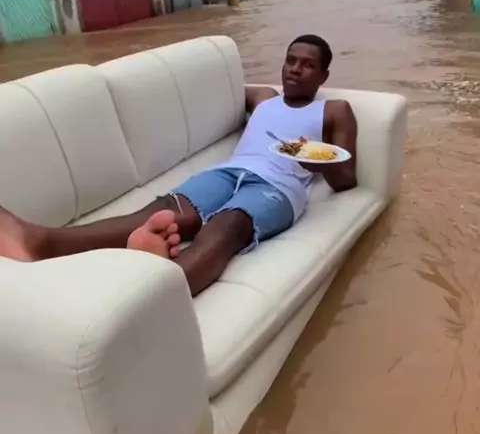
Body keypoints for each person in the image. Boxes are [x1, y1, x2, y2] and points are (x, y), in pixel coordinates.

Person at [0, 34, 357, 297]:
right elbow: (218, 84)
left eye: (307, 65)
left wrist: (314, 159)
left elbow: (345, 178)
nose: (295, 69)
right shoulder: (264, 97)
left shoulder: (334, 110)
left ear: (323, 76)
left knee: (225, 227)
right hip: (229, 172)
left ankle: (155, 297)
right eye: (291, 60)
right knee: (161, 215)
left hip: (278, 186)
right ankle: (40, 242)